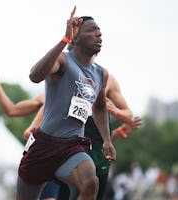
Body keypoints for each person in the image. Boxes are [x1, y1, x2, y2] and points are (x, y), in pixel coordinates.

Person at [17, 6, 116, 200]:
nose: (99, 33)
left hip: (72, 147)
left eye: (99, 30)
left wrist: (107, 139)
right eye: (92, 30)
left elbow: (100, 106)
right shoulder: (63, 61)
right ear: (76, 38)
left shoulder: (101, 74)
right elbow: (35, 76)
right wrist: (64, 40)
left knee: (91, 183)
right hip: (44, 145)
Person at [24, 75, 142, 200]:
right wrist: (33, 126)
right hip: (68, 151)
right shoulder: (65, 76)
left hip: (98, 156)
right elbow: (49, 104)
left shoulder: (106, 79)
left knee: (93, 192)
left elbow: (128, 116)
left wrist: (116, 111)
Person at [0, 65, 61, 200]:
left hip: (65, 154)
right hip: (41, 155)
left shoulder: (84, 96)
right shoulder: (44, 97)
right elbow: (12, 110)